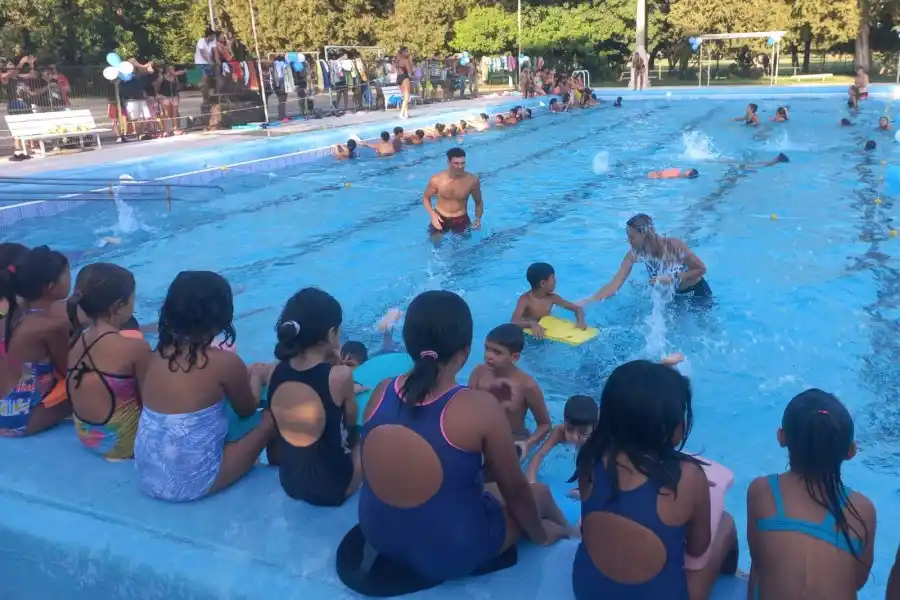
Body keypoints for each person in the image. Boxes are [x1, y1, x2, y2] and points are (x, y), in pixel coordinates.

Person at [358, 290, 575, 583]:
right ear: (464, 351)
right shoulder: (478, 408)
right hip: (450, 553)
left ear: (409, 343)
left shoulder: (382, 392)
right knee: (541, 495)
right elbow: (516, 491)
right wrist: (538, 534)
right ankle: (568, 535)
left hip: (377, 534)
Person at [573, 360, 736, 600]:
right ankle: (734, 579)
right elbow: (697, 548)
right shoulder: (687, 477)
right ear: (668, 424)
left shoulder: (589, 455)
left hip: (587, 591)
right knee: (727, 525)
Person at [134, 271, 275, 502]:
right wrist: (257, 377)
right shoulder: (225, 363)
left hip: (148, 476)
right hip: (193, 484)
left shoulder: (153, 355)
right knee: (273, 417)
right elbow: (247, 409)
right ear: (221, 315)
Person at [746, 389, 876, 600]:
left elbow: (759, 557)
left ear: (781, 437)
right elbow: (858, 580)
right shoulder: (863, 510)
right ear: (851, 451)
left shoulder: (762, 491)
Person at [267, 288, 362, 506]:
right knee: (371, 437)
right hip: (335, 487)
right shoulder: (340, 377)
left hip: (290, 482)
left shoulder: (274, 372)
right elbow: (350, 424)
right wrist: (338, 365)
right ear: (331, 334)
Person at [66, 264, 149, 460]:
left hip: (88, 438)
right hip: (124, 445)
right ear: (118, 306)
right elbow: (151, 405)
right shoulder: (134, 348)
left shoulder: (75, 341)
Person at [0, 246, 72, 436]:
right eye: (67, 273)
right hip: (18, 420)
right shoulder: (52, 327)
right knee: (91, 385)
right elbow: (68, 371)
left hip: (5, 404)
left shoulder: (14, 311)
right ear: (50, 287)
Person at [582, 214, 710, 304]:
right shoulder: (634, 254)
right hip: (672, 295)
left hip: (696, 293)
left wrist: (672, 279)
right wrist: (588, 301)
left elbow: (701, 269)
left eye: (631, 237)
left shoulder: (673, 246)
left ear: (644, 234)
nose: (628, 241)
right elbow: (614, 285)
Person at [467, 324, 551, 459]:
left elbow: (545, 425)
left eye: (497, 352)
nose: (488, 356)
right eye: (487, 349)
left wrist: (527, 444)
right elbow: (467, 405)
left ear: (515, 357)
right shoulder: (479, 373)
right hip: (479, 436)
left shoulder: (527, 386)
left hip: (510, 442)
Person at [525, 394, 598, 483]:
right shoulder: (560, 432)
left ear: (594, 428)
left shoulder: (597, 436)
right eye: (570, 429)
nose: (574, 437)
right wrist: (531, 483)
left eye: (583, 432)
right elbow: (539, 455)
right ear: (564, 423)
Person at [511, 262, 587, 338]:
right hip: (528, 333)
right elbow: (513, 322)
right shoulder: (525, 299)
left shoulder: (553, 298)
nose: (555, 281)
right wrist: (531, 324)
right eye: (553, 277)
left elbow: (577, 309)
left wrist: (581, 321)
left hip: (547, 330)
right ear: (543, 283)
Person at [422, 147, 483, 237]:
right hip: (440, 217)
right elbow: (426, 198)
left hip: (461, 219)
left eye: (463, 163)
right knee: (435, 243)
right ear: (448, 162)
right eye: (456, 163)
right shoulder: (436, 180)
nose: (460, 167)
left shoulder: (472, 181)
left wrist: (478, 219)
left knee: (462, 247)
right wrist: (433, 215)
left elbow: (478, 202)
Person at [396, 47, 414, 120]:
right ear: (403, 52)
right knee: (407, 98)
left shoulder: (398, 60)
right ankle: (401, 113)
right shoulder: (405, 60)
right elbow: (410, 71)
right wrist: (410, 61)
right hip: (405, 78)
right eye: (406, 51)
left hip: (399, 78)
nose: (408, 52)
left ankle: (406, 114)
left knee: (404, 97)